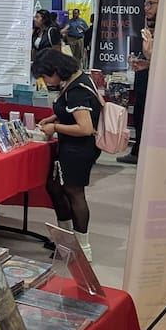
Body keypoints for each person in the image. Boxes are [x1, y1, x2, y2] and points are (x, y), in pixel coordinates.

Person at [33, 48, 103, 261]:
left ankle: (82, 248)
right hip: (73, 146)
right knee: (55, 186)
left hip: (79, 148)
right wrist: (53, 118)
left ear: (56, 70)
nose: (46, 80)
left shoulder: (76, 91)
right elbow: (71, 110)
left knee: (74, 192)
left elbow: (84, 127)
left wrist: (55, 128)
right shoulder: (78, 79)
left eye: (46, 76)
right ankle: (65, 240)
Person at [118, 0, 158, 165]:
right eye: (145, 3)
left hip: (158, 88)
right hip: (144, 80)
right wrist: (143, 61)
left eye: (151, 4)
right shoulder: (149, 27)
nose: (146, 8)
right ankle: (138, 150)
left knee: (150, 118)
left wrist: (150, 57)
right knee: (140, 115)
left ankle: (145, 153)